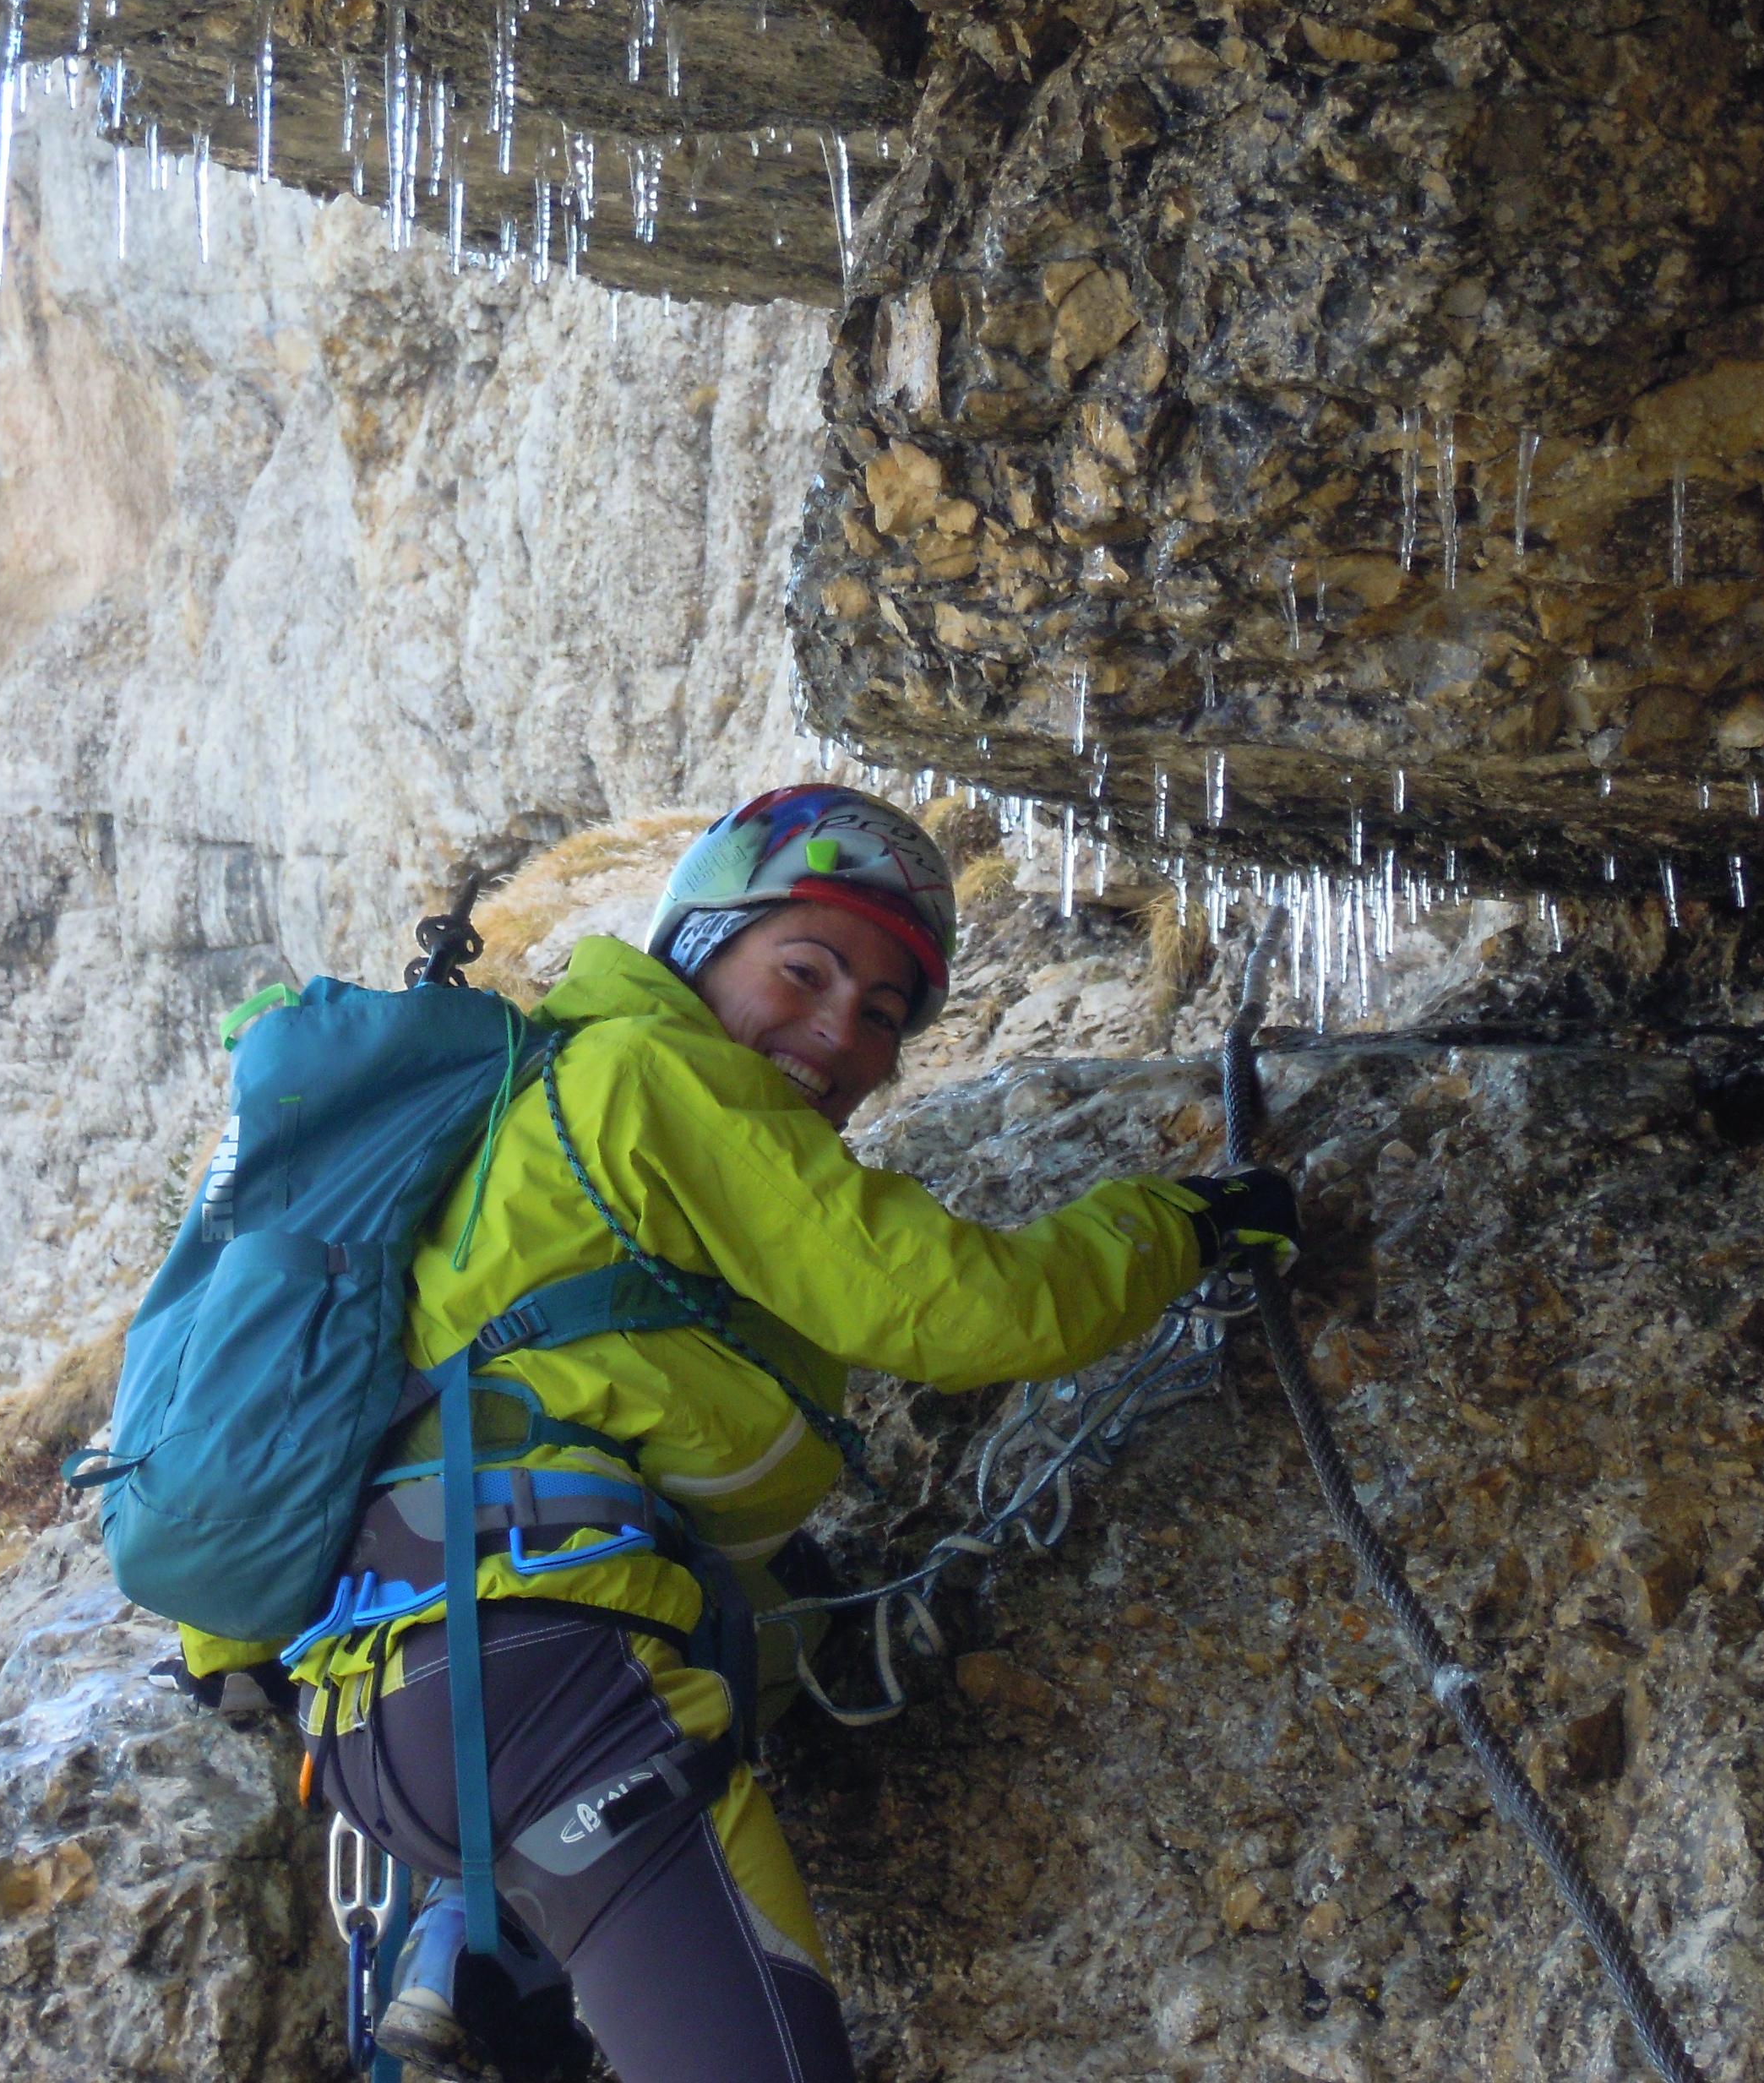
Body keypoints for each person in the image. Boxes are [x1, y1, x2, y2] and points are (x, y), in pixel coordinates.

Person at [279, 785, 1299, 2083]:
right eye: (804, 969)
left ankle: (466, 1943)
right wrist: (1183, 1225)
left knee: (765, 1613)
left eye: (883, 1013)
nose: (837, 1029)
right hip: (554, 1682)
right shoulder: (660, 1073)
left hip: (394, 1713)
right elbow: (958, 1307)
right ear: (699, 948)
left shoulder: (540, 1102)